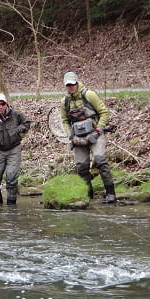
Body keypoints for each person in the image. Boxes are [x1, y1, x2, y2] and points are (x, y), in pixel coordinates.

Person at [60, 72, 117, 204]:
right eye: (68, 85)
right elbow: (64, 121)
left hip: (95, 134)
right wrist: (70, 136)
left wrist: (98, 130)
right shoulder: (65, 102)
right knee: (81, 166)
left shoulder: (89, 95)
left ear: (77, 82)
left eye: (73, 84)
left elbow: (104, 112)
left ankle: (110, 193)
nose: (71, 87)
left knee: (100, 159)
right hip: (78, 138)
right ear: (65, 86)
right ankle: (88, 194)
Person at [0, 93, 30, 206]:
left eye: (2, 103)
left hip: (14, 149)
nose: (1, 106)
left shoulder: (16, 114)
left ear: (6, 104)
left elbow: (27, 123)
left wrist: (17, 130)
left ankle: (11, 207)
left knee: (12, 178)